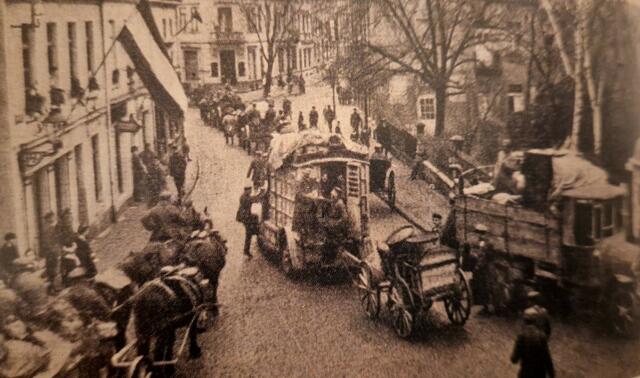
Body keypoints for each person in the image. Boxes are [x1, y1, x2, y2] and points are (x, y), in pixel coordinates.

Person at [511, 313, 555, 378]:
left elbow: (514, 359)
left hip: (525, 373)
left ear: (524, 323)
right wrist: (551, 374)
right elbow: (547, 358)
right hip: (540, 373)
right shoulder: (541, 336)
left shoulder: (521, 336)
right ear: (535, 323)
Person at [236, 186, 265, 259]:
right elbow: (254, 199)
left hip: (245, 217)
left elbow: (253, 198)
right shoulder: (245, 198)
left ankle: (257, 235)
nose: (250, 191)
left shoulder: (244, 196)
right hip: (246, 218)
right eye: (249, 190)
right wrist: (262, 193)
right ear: (246, 190)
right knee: (249, 234)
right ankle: (246, 251)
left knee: (250, 230)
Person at [321, 187, 349, 262]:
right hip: (331, 227)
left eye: (333, 195)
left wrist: (336, 224)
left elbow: (345, 217)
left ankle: (330, 260)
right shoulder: (334, 202)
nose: (331, 196)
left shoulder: (340, 203)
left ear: (337, 195)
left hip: (336, 229)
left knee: (331, 243)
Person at [41, 211, 60, 295]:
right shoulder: (48, 229)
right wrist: (55, 251)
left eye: (53, 216)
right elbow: (48, 243)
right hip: (51, 253)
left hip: (52, 252)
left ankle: (52, 288)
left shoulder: (52, 227)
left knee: (53, 271)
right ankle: (52, 289)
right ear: (48, 219)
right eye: (52, 217)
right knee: (52, 271)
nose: (53, 218)